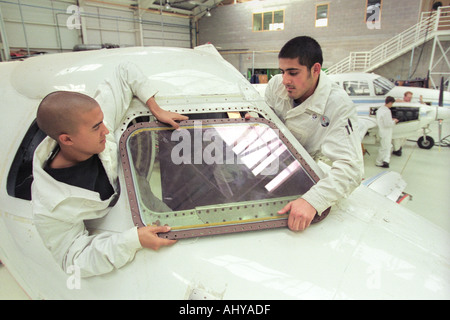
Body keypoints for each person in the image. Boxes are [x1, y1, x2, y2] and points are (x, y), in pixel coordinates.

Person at [32, 62, 188, 278]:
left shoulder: (89, 126)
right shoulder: (51, 203)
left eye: (101, 122)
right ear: (66, 139)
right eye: (97, 127)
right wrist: (133, 241)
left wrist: (156, 109)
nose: (106, 130)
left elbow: (124, 71)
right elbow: (72, 261)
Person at [248, 36, 363, 232]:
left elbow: (352, 169)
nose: (285, 80)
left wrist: (313, 201)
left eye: (293, 73)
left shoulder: (338, 105)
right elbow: (270, 122)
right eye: (282, 71)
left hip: (302, 176)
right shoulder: (276, 85)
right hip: (271, 166)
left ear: (316, 69)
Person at [375, 96, 398, 168]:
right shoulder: (387, 111)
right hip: (386, 132)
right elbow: (387, 124)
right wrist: (394, 121)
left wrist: (391, 120)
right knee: (384, 147)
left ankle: (385, 160)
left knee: (386, 146)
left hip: (382, 131)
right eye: (392, 104)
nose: (392, 105)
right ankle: (378, 162)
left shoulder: (380, 109)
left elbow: (383, 120)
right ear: (390, 102)